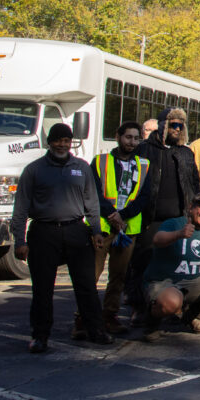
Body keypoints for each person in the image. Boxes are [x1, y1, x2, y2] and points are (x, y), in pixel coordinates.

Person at [11, 123, 109, 352]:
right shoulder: (34, 169)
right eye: (58, 140)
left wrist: (95, 230)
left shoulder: (82, 168)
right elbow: (21, 207)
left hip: (76, 230)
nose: (62, 145)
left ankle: (96, 330)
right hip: (43, 232)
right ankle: (40, 336)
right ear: (49, 143)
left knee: (86, 286)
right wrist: (20, 240)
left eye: (66, 140)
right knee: (42, 289)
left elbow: (92, 203)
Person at [128, 108, 200, 314]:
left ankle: (172, 307)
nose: (177, 129)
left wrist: (191, 215)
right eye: (173, 125)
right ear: (162, 125)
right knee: (143, 264)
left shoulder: (186, 152)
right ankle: (139, 309)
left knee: (175, 265)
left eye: (180, 125)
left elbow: (194, 185)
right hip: (150, 219)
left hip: (178, 218)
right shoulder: (144, 150)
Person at [138, 192, 200, 341]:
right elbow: (157, 240)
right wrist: (179, 234)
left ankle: (193, 317)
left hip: (193, 280)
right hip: (164, 280)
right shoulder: (174, 223)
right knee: (171, 302)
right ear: (191, 208)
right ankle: (151, 322)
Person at [87, 120, 148, 335]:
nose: (132, 142)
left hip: (128, 229)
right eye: (128, 137)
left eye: (136, 138)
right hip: (102, 227)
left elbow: (144, 197)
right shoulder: (100, 161)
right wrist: (111, 215)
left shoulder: (143, 165)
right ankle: (83, 318)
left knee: (119, 277)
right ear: (118, 137)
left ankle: (109, 317)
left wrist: (123, 216)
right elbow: (92, 191)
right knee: (91, 275)